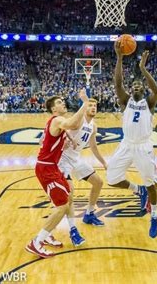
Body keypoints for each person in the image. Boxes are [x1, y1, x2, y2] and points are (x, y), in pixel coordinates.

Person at [26, 89, 89, 259]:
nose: (63, 103)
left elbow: (55, 135)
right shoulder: (57, 119)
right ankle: (36, 242)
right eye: (60, 102)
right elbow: (74, 124)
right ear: (54, 109)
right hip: (47, 168)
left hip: (51, 167)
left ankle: (48, 235)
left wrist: (68, 139)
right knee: (62, 206)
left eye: (63, 101)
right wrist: (84, 102)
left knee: (66, 199)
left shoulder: (55, 121)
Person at [106, 42, 157, 238]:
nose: (137, 87)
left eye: (140, 85)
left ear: (143, 89)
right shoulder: (124, 100)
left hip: (144, 146)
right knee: (111, 179)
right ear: (131, 89)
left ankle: (154, 215)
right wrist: (120, 58)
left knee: (150, 183)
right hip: (126, 144)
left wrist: (143, 69)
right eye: (134, 85)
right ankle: (137, 190)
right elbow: (118, 83)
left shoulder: (149, 102)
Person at [58, 98, 107, 230]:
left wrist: (103, 162)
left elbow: (94, 147)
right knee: (69, 194)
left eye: (95, 106)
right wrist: (65, 141)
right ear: (84, 108)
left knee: (98, 182)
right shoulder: (79, 120)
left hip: (76, 159)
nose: (93, 108)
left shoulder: (93, 126)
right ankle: (71, 227)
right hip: (63, 159)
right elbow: (61, 128)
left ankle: (89, 214)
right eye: (90, 105)